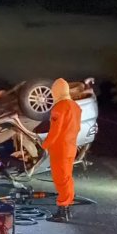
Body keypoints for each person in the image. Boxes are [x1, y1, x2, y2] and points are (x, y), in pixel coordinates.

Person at [42, 78, 82, 223]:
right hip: (71, 147)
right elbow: (77, 128)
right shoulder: (76, 107)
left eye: (53, 91)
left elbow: (55, 131)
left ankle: (62, 211)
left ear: (57, 91)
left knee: (61, 179)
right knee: (67, 178)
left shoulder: (59, 107)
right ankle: (67, 207)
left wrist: (44, 146)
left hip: (60, 148)